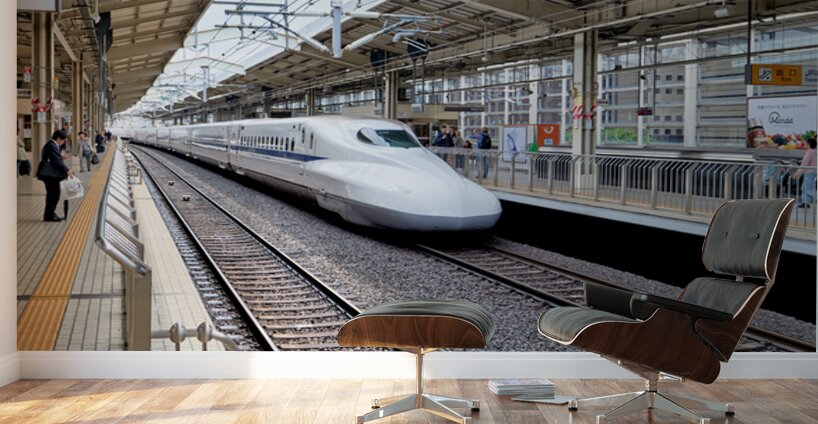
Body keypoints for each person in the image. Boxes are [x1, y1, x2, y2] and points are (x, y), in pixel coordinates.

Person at [38, 130, 73, 221]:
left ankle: (50, 214)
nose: (63, 142)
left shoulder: (50, 145)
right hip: (50, 176)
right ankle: (49, 215)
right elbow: (56, 161)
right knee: (53, 195)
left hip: (49, 175)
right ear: (58, 138)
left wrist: (60, 157)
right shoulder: (52, 145)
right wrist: (67, 170)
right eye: (63, 140)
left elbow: (53, 158)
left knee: (53, 194)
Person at [794, 137, 816, 208]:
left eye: (805, 144)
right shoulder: (814, 152)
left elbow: (804, 164)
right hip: (812, 172)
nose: (804, 145)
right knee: (805, 187)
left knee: (809, 189)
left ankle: (806, 202)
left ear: (809, 144)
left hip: (809, 172)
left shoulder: (810, 153)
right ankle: (805, 202)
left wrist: (798, 173)